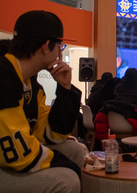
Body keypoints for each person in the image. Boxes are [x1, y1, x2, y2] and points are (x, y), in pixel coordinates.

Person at [0, 11, 85, 193]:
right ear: (47, 46)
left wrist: (65, 89)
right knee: (66, 180)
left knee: (76, 149)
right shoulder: (4, 78)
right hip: (7, 160)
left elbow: (50, 134)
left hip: (12, 157)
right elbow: (18, 153)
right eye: (60, 46)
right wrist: (69, 166)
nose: (60, 53)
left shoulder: (31, 83)